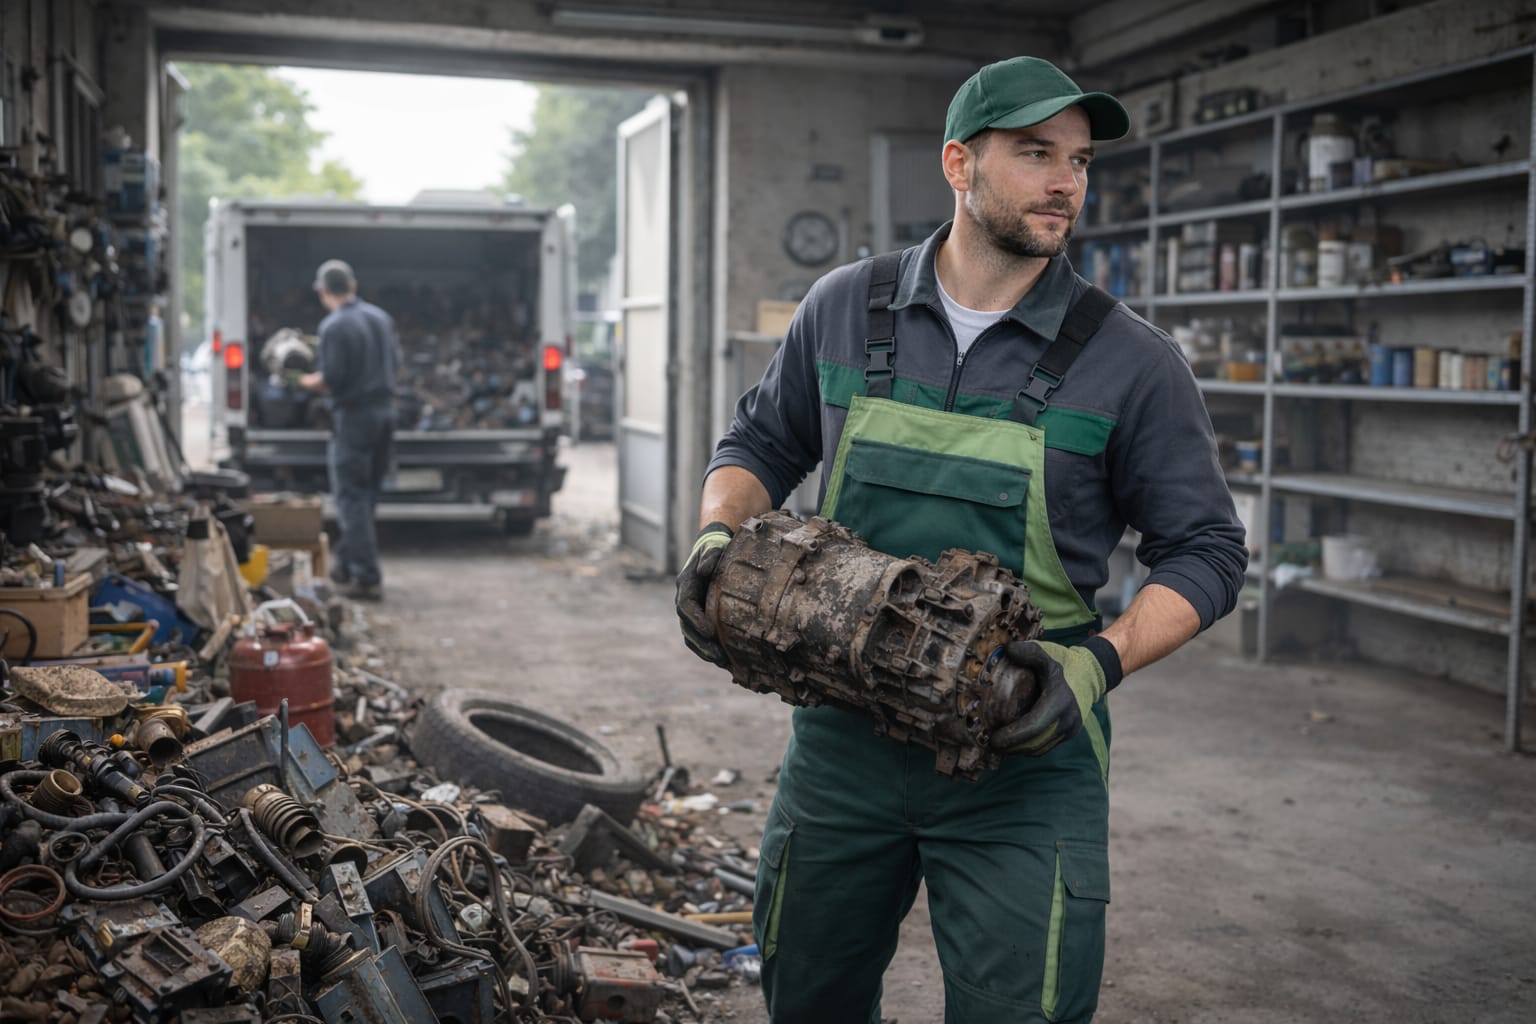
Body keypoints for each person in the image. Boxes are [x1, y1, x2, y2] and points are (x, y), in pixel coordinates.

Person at [675, 56, 1248, 1023]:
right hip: (841, 741)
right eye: (1035, 154)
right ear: (957, 164)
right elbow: (759, 443)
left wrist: (1094, 668)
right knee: (805, 993)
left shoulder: (1133, 362)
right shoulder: (844, 309)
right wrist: (713, 540)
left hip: (1026, 750)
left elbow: (1206, 551)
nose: (1067, 181)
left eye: (1080, 159)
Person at [299, 259, 399, 601]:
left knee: (350, 497)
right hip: (385, 413)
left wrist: (299, 380)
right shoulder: (380, 318)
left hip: (354, 417)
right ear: (353, 286)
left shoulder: (334, 326)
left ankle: (367, 577)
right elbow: (395, 364)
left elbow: (331, 381)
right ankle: (344, 564)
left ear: (322, 291)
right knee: (366, 493)